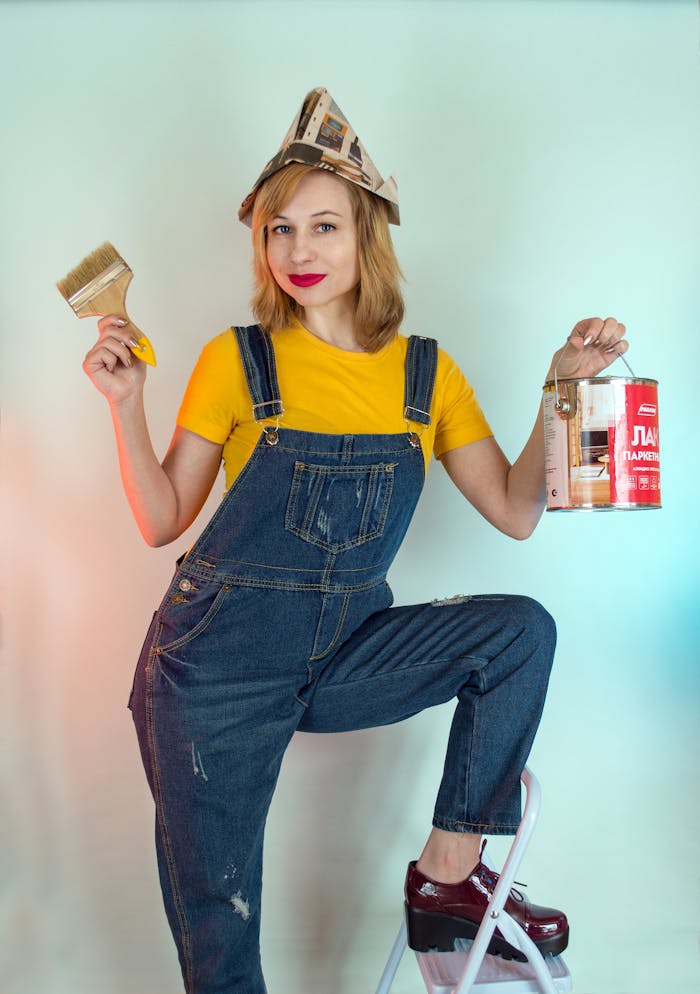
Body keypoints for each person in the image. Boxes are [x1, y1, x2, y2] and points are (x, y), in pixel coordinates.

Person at [82, 88, 628, 994]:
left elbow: (516, 510)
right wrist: (126, 405)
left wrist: (559, 390)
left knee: (519, 631)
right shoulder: (237, 360)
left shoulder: (426, 374)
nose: (299, 252)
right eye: (279, 230)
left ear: (366, 235)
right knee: (222, 928)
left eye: (324, 227)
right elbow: (161, 520)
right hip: (212, 669)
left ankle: (446, 881)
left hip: (342, 653)